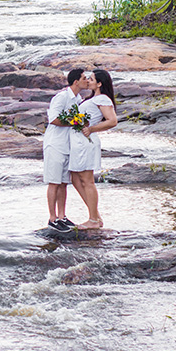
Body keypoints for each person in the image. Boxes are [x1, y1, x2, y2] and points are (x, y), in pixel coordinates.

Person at [69, 69, 118, 229]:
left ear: (99, 84)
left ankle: (93, 220)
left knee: (87, 181)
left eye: (91, 79)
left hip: (87, 142)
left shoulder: (103, 98)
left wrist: (92, 129)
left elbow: (112, 121)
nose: (88, 81)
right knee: (75, 179)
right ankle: (96, 216)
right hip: (79, 142)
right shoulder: (91, 98)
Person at [43, 68, 88, 232]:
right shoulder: (61, 97)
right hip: (55, 144)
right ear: (76, 81)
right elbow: (53, 119)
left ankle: (62, 216)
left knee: (63, 183)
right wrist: (74, 122)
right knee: (54, 182)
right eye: (84, 78)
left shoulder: (78, 99)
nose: (87, 80)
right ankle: (52, 218)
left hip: (68, 145)